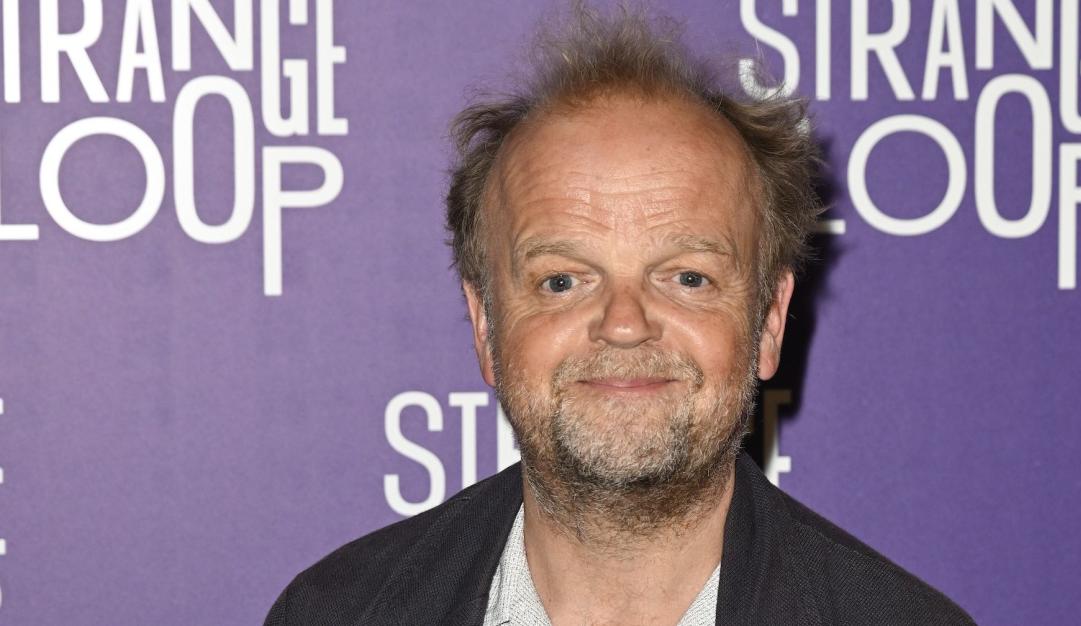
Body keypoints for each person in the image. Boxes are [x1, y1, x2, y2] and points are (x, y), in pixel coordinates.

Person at [265, 5, 974, 625]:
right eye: (564, 280)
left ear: (768, 323)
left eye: (688, 277)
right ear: (485, 327)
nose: (625, 322)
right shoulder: (337, 612)